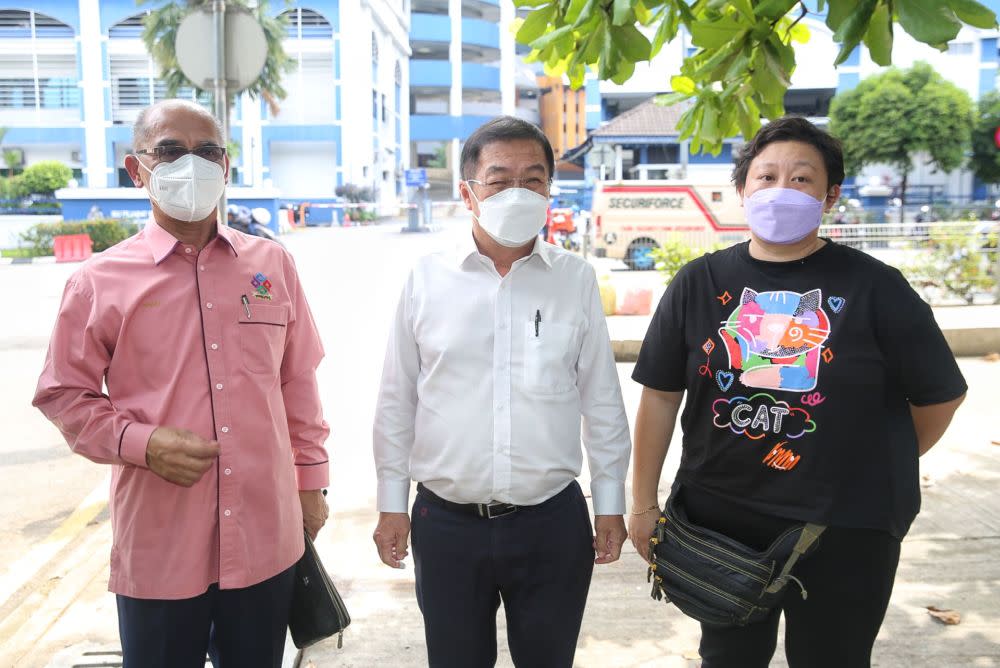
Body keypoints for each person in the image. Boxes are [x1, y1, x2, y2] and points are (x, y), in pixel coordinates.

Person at [628, 116, 967, 668]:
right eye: (766, 177)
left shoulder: (877, 287)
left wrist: (870, 462)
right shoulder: (699, 283)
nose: (781, 189)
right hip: (720, 522)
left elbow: (940, 397)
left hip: (847, 527)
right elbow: (660, 397)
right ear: (742, 191)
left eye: (802, 178)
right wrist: (642, 506)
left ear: (830, 195)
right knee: (728, 659)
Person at [32, 99, 331, 668]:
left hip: (266, 539)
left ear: (226, 165)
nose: (190, 165)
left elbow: (298, 383)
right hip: (160, 545)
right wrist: (140, 444)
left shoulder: (272, 264)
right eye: (170, 151)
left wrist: (311, 484)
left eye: (207, 151)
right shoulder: (98, 281)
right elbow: (62, 394)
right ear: (136, 169)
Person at [372, 115, 631, 667]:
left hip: (551, 524)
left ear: (549, 192)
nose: (518, 192)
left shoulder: (575, 279)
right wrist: (391, 505)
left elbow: (602, 400)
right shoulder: (426, 278)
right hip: (446, 525)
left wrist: (611, 504)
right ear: (468, 194)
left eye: (533, 179)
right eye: (499, 179)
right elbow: (398, 400)